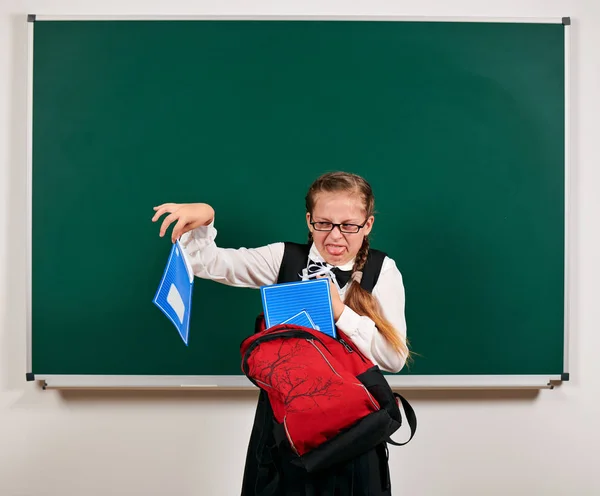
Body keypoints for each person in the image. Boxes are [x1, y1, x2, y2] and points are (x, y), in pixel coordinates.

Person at [152, 171, 409, 495]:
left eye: (348, 225)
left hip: (353, 431)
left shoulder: (383, 270)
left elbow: (394, 357)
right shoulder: (284, 258)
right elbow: (208, 263)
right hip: (283, 427)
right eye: (323, 223)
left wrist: (341, 313)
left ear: (367, 225)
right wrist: (205, 219)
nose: (334, 236)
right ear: (309, 220)